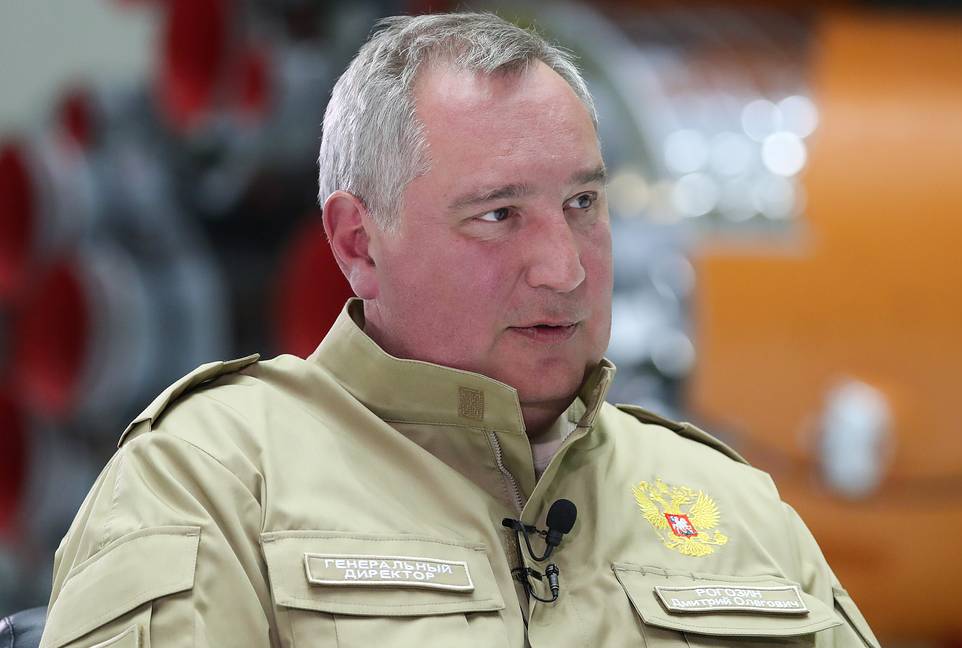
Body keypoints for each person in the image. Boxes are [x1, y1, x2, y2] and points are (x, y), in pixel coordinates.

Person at [40, 12, 879, 648]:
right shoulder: (216, 480)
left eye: (583, 203)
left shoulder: (730, 506)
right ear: (358, 244)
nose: (565, 269)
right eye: (499, 214)